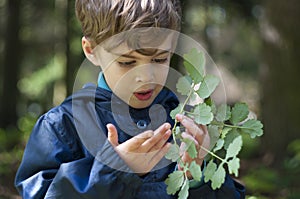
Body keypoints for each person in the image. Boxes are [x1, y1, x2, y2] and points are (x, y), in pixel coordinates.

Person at [15, 0, 245, 198]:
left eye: (159, 59)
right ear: (91, 50)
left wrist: (196, 174)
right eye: (127, 62)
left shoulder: (184, 122)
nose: (145, 77)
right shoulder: (62, 126)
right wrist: (112, 172)